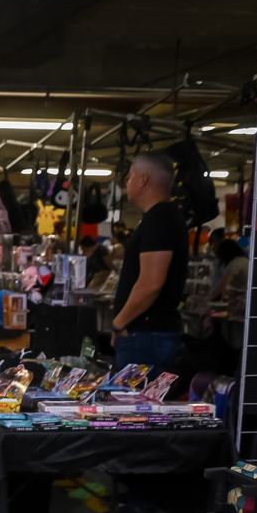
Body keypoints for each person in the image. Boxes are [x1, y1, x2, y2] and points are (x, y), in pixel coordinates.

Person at [111, 150, 188, 372]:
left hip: (146, 336)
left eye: (130, 176)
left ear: (143, 179)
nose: (127, 182)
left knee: (138, 395)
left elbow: (151, 283)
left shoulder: (160, 219)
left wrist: (119, 323)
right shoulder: (161, 217)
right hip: (146, 334)